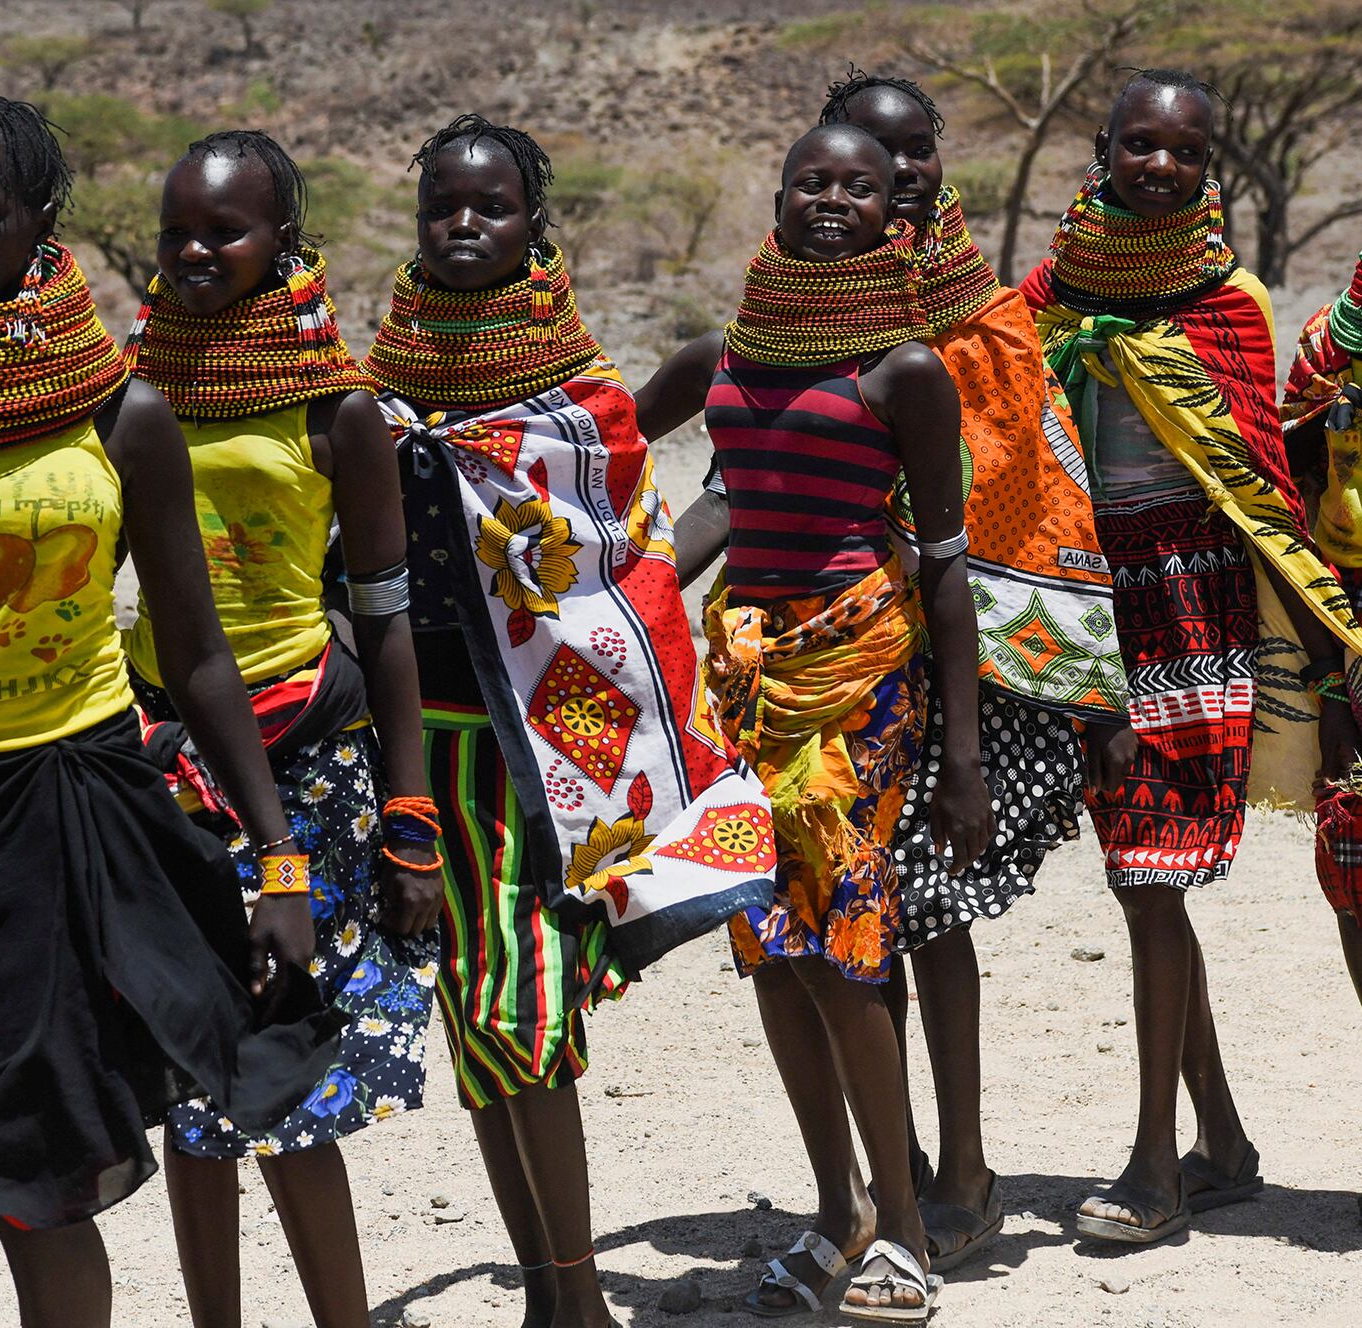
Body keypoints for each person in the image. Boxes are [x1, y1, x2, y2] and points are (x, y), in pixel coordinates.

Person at [0, 97, 338, 1328]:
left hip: (66, 810)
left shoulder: (120, 416)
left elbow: (197, 661)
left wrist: (280, 855)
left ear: (43, 224)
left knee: (43, 1174)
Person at [364, 113, 777, 1328]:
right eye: (443, 204)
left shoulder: (581, 404)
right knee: (478, 1035)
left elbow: (623, 557)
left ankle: (579, 1296)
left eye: (490, 205)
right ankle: (551, 1287)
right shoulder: (371, 396)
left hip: (549, 758)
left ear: (536, 224)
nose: (464, 224)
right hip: (421, 742)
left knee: (522, 1019)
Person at [639, 122, 994, 1322]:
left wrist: (963, 748)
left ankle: (902, 1229)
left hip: (863, 684)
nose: (833, 197)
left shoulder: (905, 372)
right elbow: (656, 479)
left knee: (844, 949)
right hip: (746, 685)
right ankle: (837, 1206)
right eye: (811, 179)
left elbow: (945, 561)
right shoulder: (719, 358)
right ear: (777, 194)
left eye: (862, 184)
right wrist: (618, 595)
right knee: (768, 953)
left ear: (900, 210)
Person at [1021, 68, 1362, 1243]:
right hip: (1081, 611)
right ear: (1102, 147)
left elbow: (1261, 488)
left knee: (1150, 873)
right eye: (1141, 144)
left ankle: (1156, 1166)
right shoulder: (1046, 297)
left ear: (1210, 163)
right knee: (1137, 875)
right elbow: (1013, 448)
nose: (1161, 165)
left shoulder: (1229, 303)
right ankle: (1216, 1136)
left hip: (1191, 606)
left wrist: (1331, 650)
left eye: (1185, 150)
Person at [811, 70, 1134, 1273]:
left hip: (971, 668)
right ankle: (884, 1183)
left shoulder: (986, 316)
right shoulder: (803, 306)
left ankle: (964, 1167)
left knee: (932, 915)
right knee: (856, 928)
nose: (896, 180)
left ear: (939, 165)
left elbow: (1046, 494)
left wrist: (1092, 686)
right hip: (835, 661)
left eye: (914, 156)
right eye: (869, 159)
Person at [121, 128, 439, 1328]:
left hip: (307, 763)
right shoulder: (127, 398)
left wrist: (411, 816)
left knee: (287, 1067)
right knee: (188, 1074)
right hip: (167, 768)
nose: (197, 252)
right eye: (177, 234)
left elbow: (387, 620)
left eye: (226, 231)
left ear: (285, 244)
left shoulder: (337, 410)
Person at [1278, 250, 1362, 1004]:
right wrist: (1331, 685)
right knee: (1356, 861)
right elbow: (1291, 527)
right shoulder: (1328, 352)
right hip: (1358, 646)